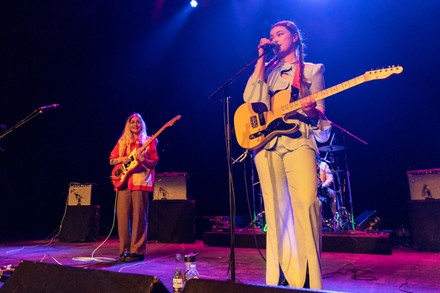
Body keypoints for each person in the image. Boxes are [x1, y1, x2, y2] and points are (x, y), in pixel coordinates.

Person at [243, 20, 331, 289]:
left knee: (306, 203)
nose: (274, 39)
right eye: (271, 35)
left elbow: (322, 118)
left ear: (294, 38)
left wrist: (314, 111)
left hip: (298, 141)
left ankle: (309, 278)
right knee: (275, 211)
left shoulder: (312, 70)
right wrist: (259, 60)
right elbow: (250, 99)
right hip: (267, 146)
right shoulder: (267, 71)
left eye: (279, 34)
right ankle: (279, 275)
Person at [109, 113, 159, 262]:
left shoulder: (148, 141)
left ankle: (137, 251)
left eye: (138, 122)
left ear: (142, 124)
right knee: (123, 218)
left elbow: (154, 162)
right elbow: (111, 160)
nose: (135, 124)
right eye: (132, 122)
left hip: (140, 181)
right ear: (128, 125)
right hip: (123, 182)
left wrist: (143, 159)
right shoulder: (122, 141)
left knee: (139, 218)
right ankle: (124, 250)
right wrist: (121, 159)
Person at [317, 157, 336, 225]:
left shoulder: (323, 164)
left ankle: (333, 218)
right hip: (311, 188)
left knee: (332, 193)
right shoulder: (307, 165)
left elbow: (330, 178)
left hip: (323, 187)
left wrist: (323, 186)